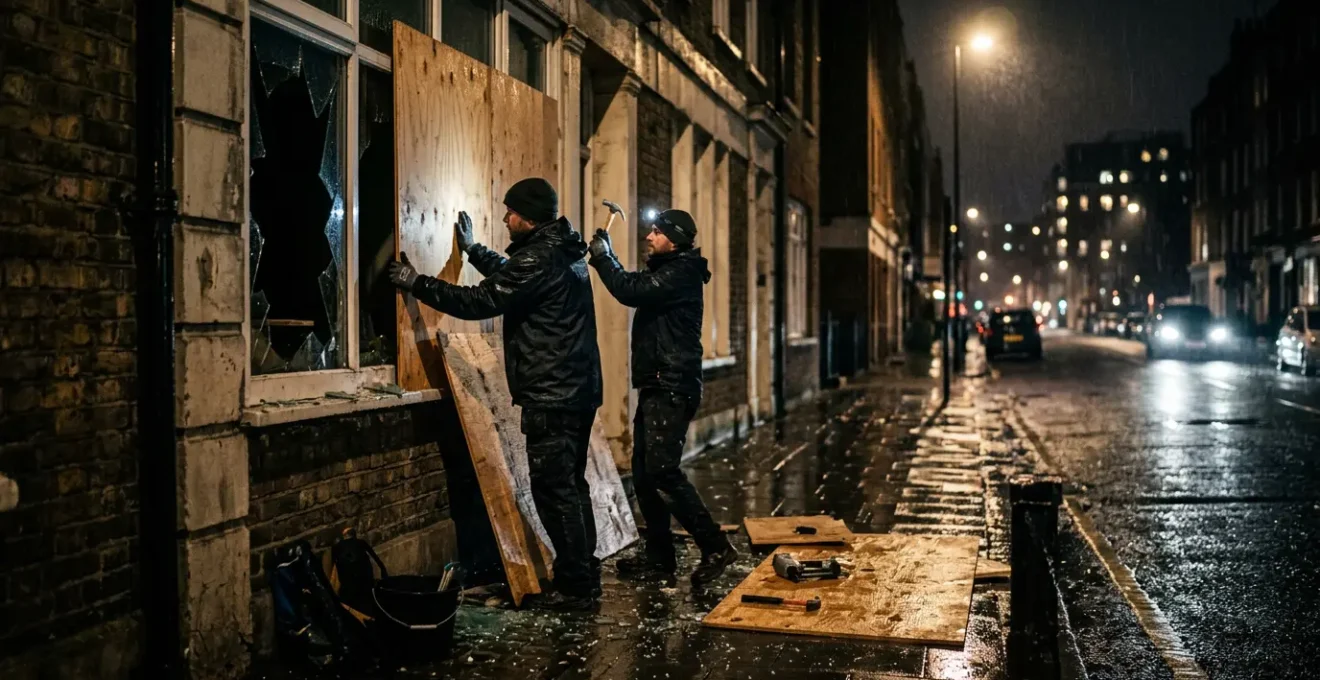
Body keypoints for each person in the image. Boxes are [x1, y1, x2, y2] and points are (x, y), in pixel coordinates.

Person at [387, 178, 603, 611]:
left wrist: (416, 282)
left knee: (554, 489)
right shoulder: (561, 250)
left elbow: (482, 301)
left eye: (510, 212)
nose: (505, 218)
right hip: (576, 390)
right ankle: (582, 573)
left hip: (553, 394)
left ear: (529, 216)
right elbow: (511, 278)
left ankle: (576, 587)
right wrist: (472, 251)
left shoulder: (540, 257)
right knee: (570, 486)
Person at [586, 209, 738, 587]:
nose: (649, 236)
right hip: (657, 383)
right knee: (643, 473)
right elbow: (633, 283)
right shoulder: (666, 269)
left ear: (675, 238)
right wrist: (607, 259)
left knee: (662, 471)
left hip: (673, 384)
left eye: (657, 231)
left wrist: (605, 256)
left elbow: (629, 291)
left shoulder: (681, 273)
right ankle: (659, 557)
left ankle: (715, 546)